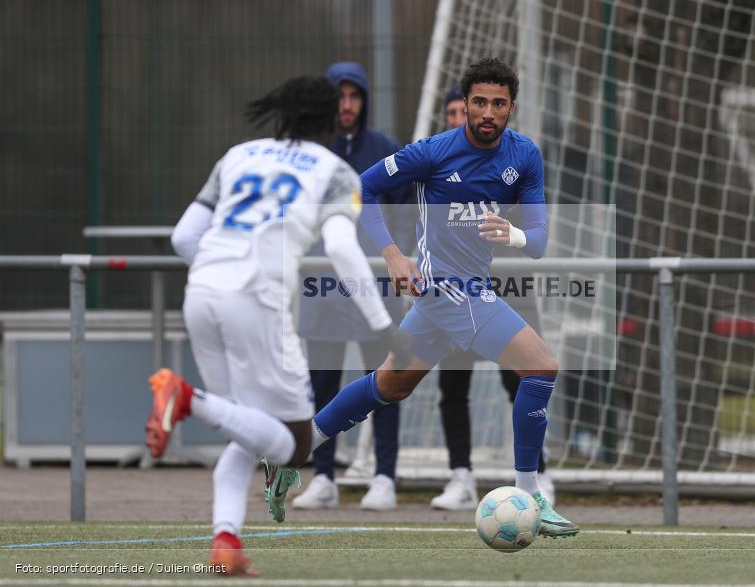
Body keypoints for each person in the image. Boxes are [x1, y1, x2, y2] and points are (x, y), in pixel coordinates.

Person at [146, 75, 412, 575]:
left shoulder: (238, 155)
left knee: (243, 433)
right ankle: (185, 398)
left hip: (201, 292)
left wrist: (216, 271)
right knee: (293, 444)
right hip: (256, 301)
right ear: (331, 118)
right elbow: (340, 249)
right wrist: (383, 327)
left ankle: (226, 543)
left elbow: (185, 237)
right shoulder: (335, 171)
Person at [308, 57, 579, 538]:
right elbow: (362, 189)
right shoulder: (433, 152)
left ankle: (292, 452)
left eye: (498, 103)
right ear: (466, 106)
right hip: (446, 288)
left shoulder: (525, 156)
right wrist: (392, 255)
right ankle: (531, 494)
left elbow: (538, 242)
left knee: (390, 384)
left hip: (465, 289)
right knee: (540, 366)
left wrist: (513, 235)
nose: (488, 112)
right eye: (479, 102)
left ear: (511, 107)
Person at [292, 62, 415, 512]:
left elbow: (406, 209)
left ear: (363, 101)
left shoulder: (383, 149)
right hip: (321, 285)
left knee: (383, 380)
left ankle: (384, 476)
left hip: (373, 287)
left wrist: (397, 256)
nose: (347, 106)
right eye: (339, 97)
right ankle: (322, 475)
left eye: (354, 97)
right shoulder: (311, 151)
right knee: (320, 382)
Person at [431, 84, 554, 510]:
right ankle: (460, 476)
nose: (459, 118)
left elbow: (536, 232)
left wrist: (512, 233)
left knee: (523, 377)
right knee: (453, 385)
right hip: (456, 291)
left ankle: (537, 476)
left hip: (509, 284)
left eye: (495, 104)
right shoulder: (437, 163)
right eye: (453, 112)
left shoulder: (515, 159)